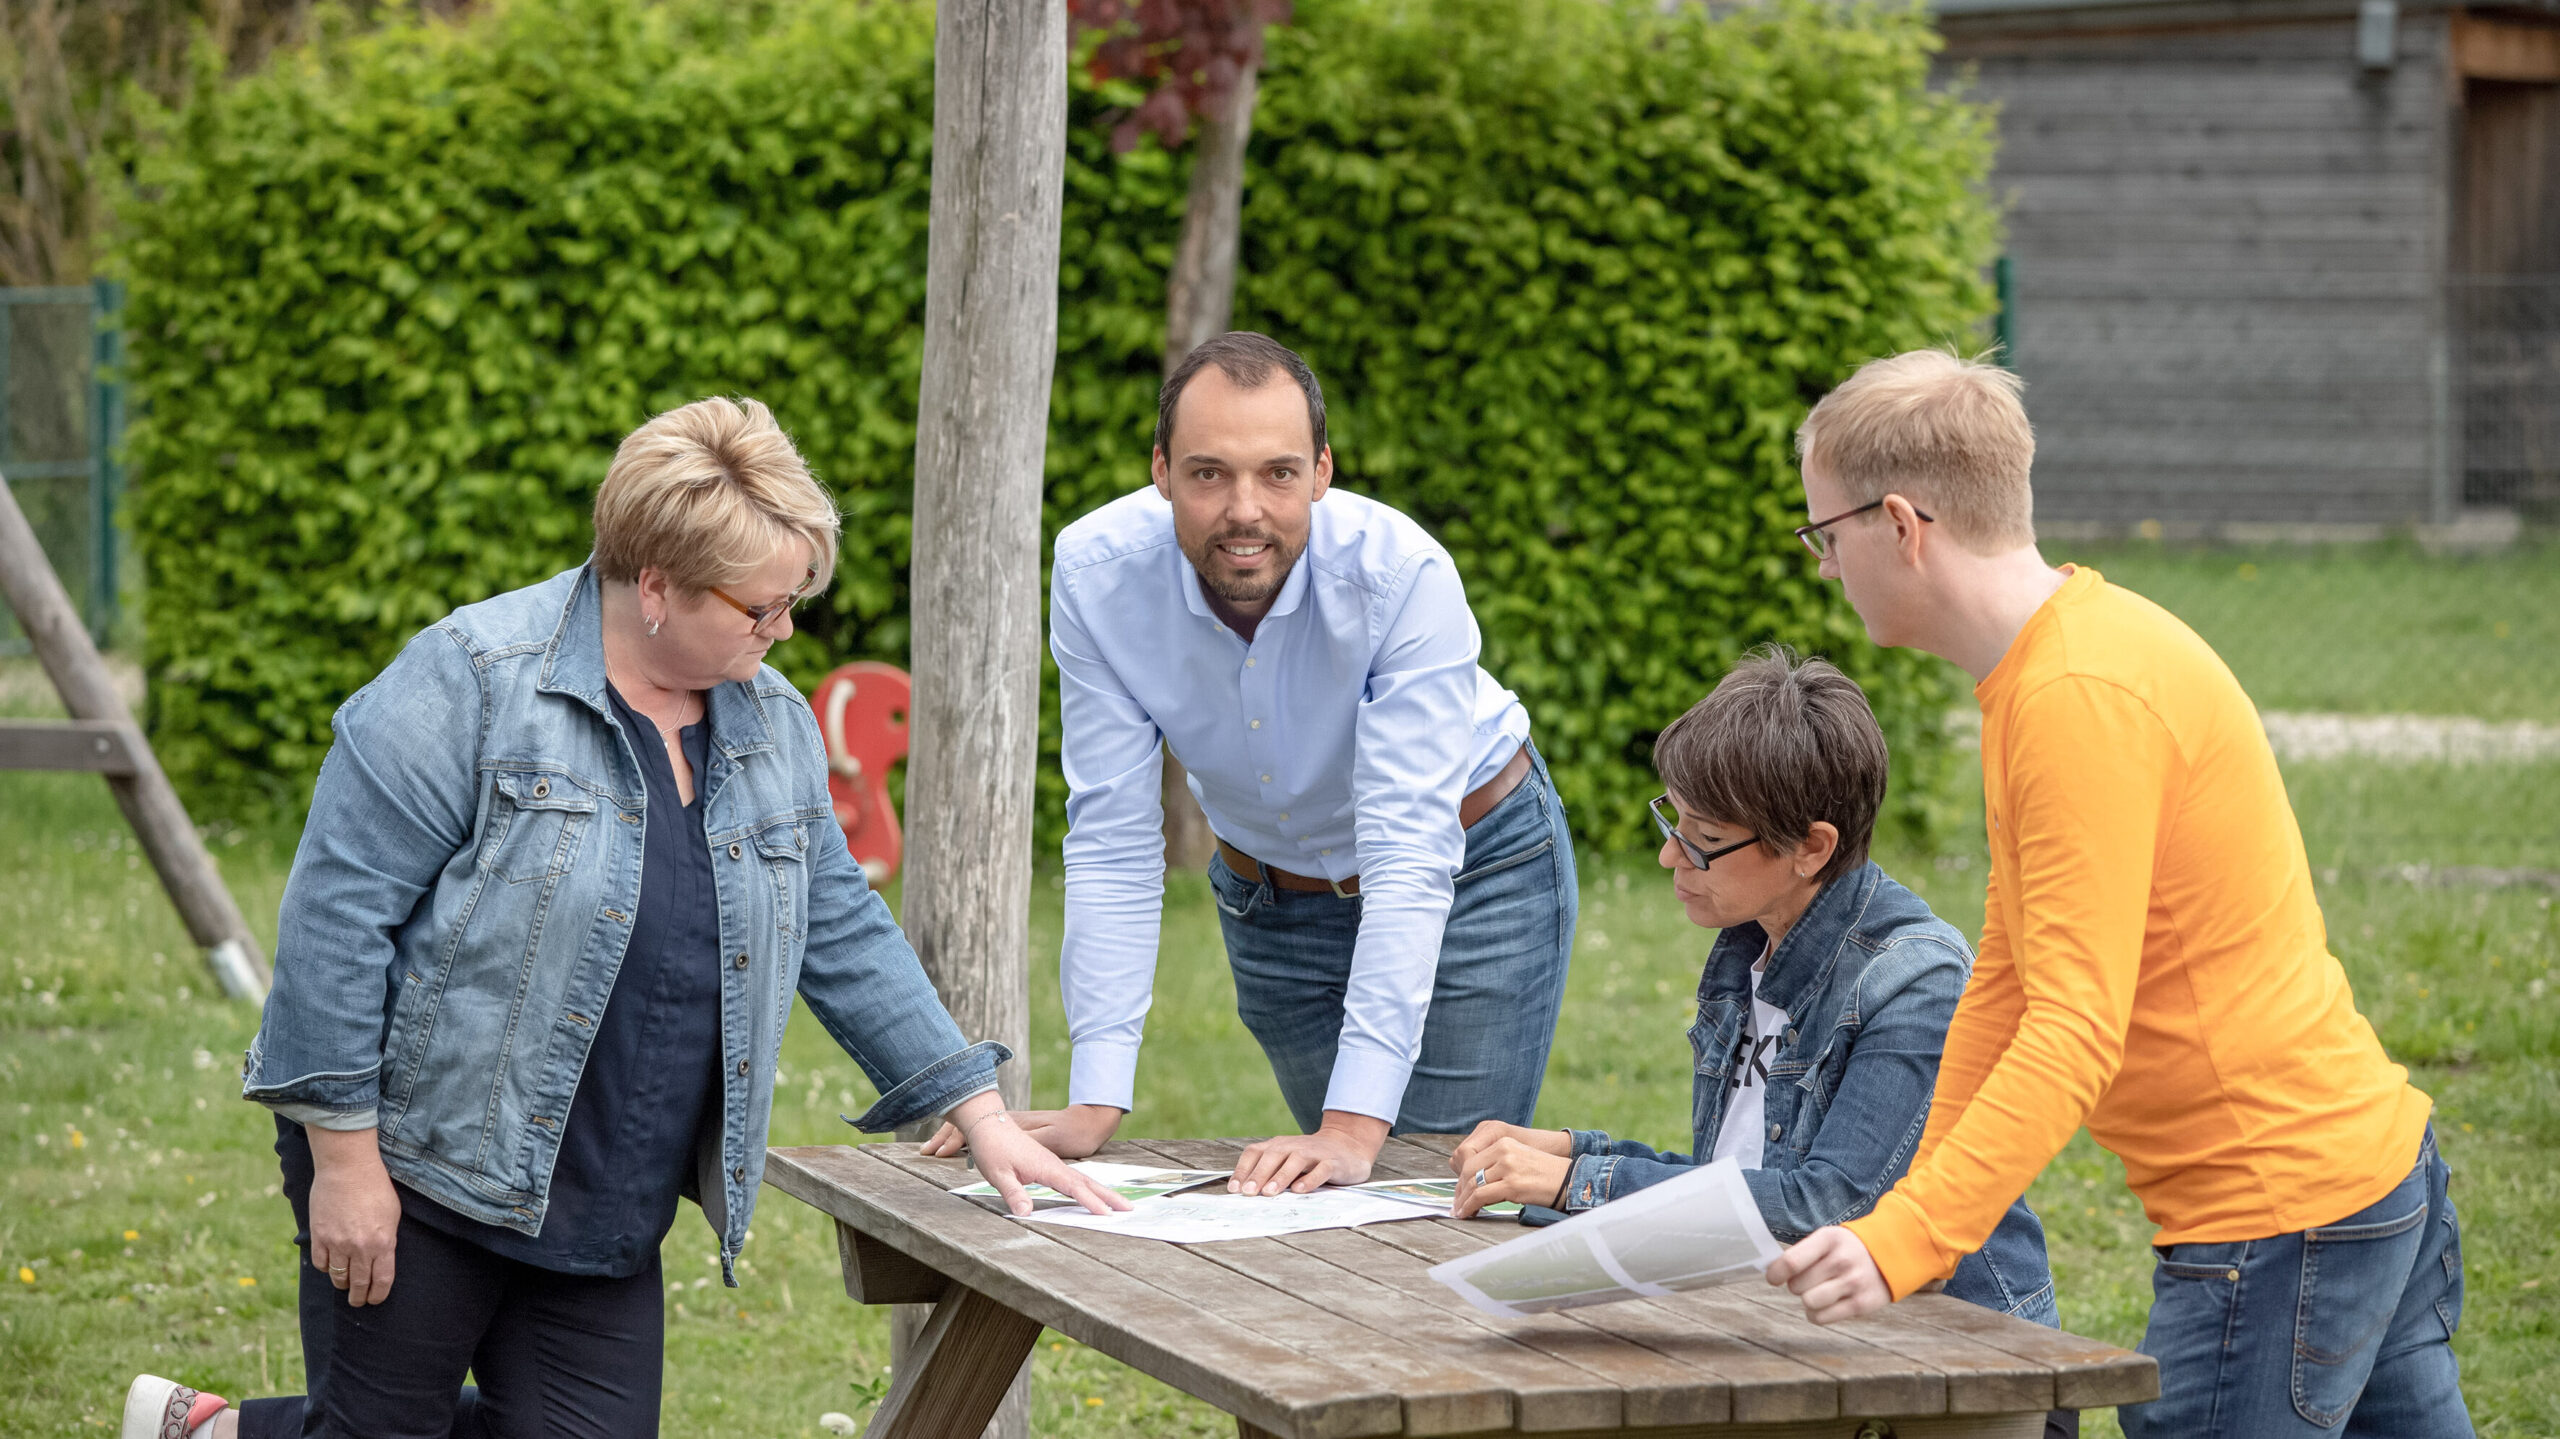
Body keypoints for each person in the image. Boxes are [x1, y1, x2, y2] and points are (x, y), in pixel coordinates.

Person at [121, 398, 1121, 1439]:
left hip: (605, 1197)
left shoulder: (768, 724)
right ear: (654, 585)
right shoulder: (471, 679)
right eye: (759, 609)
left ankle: (217, 1431)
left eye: (791, 605)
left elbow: (838, 920)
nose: (781, 633)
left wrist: (979, 1110)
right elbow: (335, 920)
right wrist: (344, 1165)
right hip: (420, 1170)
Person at [1761, 351, 2470, 1439]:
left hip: (2278, 1220)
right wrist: (1919, 1219)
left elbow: (2070, 1028)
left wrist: (1910, 1234)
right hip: (2361, 1176)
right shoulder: (2051, 666)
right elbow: (2003, 976)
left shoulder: (2073, 700)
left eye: (1824, 535)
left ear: (1900, 523)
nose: (1823, 566)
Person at [927, 332, 1576, 1196]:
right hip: (1273, 904)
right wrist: (1096, 1098)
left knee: (1428, 1191)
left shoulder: (1402, 575)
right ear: (1160, 470)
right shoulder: (1096, 574)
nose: (1245, 509)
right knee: (1335, 1203)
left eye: (1277, 472)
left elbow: (1407, 854)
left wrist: (1351, 1126)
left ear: (1321, 471)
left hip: (1476, 866)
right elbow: (1115, 836)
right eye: (1208, 473)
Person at [1447, 650, 2074, 1439]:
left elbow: (1825, 1207)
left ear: (1811, 847)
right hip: (1807, 1340)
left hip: (1955, 1370)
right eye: (1673, 822)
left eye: (1704, 838)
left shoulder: (1916, 981)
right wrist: (1575, 1149)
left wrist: (1580, 1178)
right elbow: (1741, 1189)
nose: (1672, 856)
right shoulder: (1751, 946)